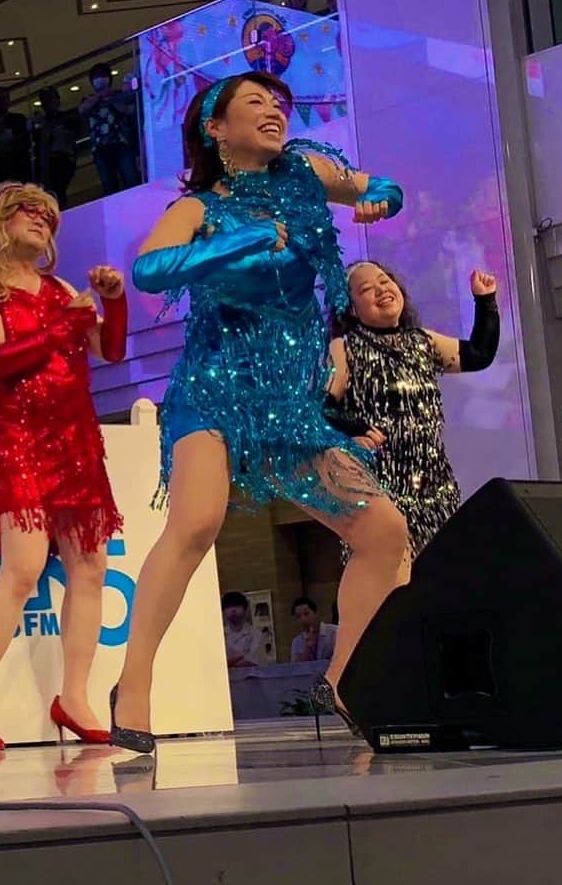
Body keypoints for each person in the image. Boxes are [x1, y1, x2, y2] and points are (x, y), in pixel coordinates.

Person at [109, 73, 410, 753]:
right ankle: (133, 685)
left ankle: (342, 679)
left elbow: (383, 185)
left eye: (277, 102)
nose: (273, 109)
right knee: (196, 522)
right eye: (254, 102)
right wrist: (239, 241)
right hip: (215, 385)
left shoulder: (306, 173)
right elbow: (150, 270)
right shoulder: (198, 206)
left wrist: (381, 200)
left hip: (289, 401)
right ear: (215, 128)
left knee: (384, 532)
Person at [0, 181, 128, 749]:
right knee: (22, 569)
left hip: (76, 441)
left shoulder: (61, 290)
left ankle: (74, 695)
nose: (41, 221)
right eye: (28, 212)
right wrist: (62, 329)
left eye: (48, 217)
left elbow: (111, 350)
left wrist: (114, 302)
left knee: (91, 568)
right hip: (19, 440)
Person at [327, 261, 500, 560]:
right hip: (382, 494)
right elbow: (322, 407)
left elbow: (478, 354)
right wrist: (355, 428)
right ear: (351, 309)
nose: (381, 289)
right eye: (366, 289)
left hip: (436, 492)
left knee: (446, 572)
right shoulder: (344, 348)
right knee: (392, 575)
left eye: (385, 281)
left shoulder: (423, 341)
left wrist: (485, 301)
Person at [78, 65, 139, 196]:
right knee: (109, 184)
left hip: (121, 143)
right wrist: (99, 96)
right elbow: (82, 110)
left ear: (109, 78)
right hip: (100, 148)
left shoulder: (118, 95)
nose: (99, 78)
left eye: (102, 75)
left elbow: (128, 111)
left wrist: (112, 99)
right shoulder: (88, 99)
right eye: (96, 76)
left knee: (130, 178)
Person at [33, 86, 80, 209]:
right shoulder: (40, 124)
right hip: (46, 164)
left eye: (50, 98)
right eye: (45, 100)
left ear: (57, 100)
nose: (48, 103)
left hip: (62, 161)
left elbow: (68, 138)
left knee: (58, 192)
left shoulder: (66, 118)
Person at [289, 596, 337, 663]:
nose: (303, 619)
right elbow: (295, 667)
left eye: (306, 614)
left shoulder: (335, 632)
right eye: (298, 616)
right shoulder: (297, 642)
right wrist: (307, 648)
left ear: (316, 613)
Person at [221, 591, 261, 668]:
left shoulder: (256, 634)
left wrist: (229, 663)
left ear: (245, 609)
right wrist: (241, 657)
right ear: (223, 611)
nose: (233, 610)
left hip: (251, 675)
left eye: (237, 606)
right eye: (228, 607)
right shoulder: (220, 635)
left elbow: (255, 661)